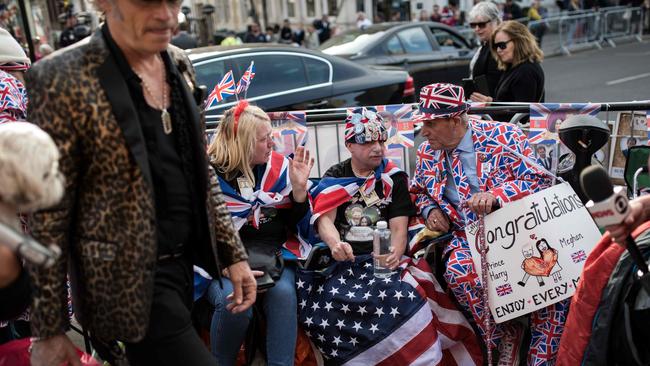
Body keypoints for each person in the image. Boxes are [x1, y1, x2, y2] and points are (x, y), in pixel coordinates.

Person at [25, 0, 256, 364]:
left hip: (184, 274)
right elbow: (46, 212)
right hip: (124, 291)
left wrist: (233, 256)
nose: (167, 15)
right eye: (148, 1)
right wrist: (48, 329)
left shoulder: (178, 62)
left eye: (175, 1)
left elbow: (200, 173)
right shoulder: (61, 77)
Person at [301, 107, 482, 365]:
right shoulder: (335, 177)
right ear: (350, 145)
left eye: (381, 140)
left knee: (406, 296)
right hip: (344, 263)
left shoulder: (393, 177)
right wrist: (335, 243)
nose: (378, 148)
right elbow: (324, 221)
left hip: (385, 258)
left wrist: (396, 253)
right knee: (329, 306)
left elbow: (399, 227)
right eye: (369, 141)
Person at [410, 83, 568, 365]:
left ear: (455, 120)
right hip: (465, 235)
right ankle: (502, 337)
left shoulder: (503, 136)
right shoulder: (426, 153)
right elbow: (418, 191)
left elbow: (539, 180)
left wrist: (497, 195)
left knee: (550, 285)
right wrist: (430, 209)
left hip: (521, 228)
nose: (424, 131)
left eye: (431, 123)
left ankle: (543, 357)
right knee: (459, 271)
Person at [205, 101, 314, 366]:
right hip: (220, 261)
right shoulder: (207, 175)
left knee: (284, 294)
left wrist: (299, 192)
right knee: (235, 301)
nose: (272, 145)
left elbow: (296, 226)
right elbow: (196, 236)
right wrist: (226, 267)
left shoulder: (277, 168)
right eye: (264, 139)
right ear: (242, 142)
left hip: (272, 255)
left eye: (271, 137)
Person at [470, 20, 545, 106]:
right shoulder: (512, 67)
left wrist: (490, 104)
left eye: (502, 45)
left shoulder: (526, 71)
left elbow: (522, 112)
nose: (498, 50)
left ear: (519, 42)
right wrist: (490, 101)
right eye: (495, 46)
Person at [468, 1, 503, 98]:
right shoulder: (485, 43)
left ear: (495, 22)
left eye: (481, 24)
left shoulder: (500, 45)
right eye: (473, 25)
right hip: (484, 103)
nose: (477, 29)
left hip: (493, 106)